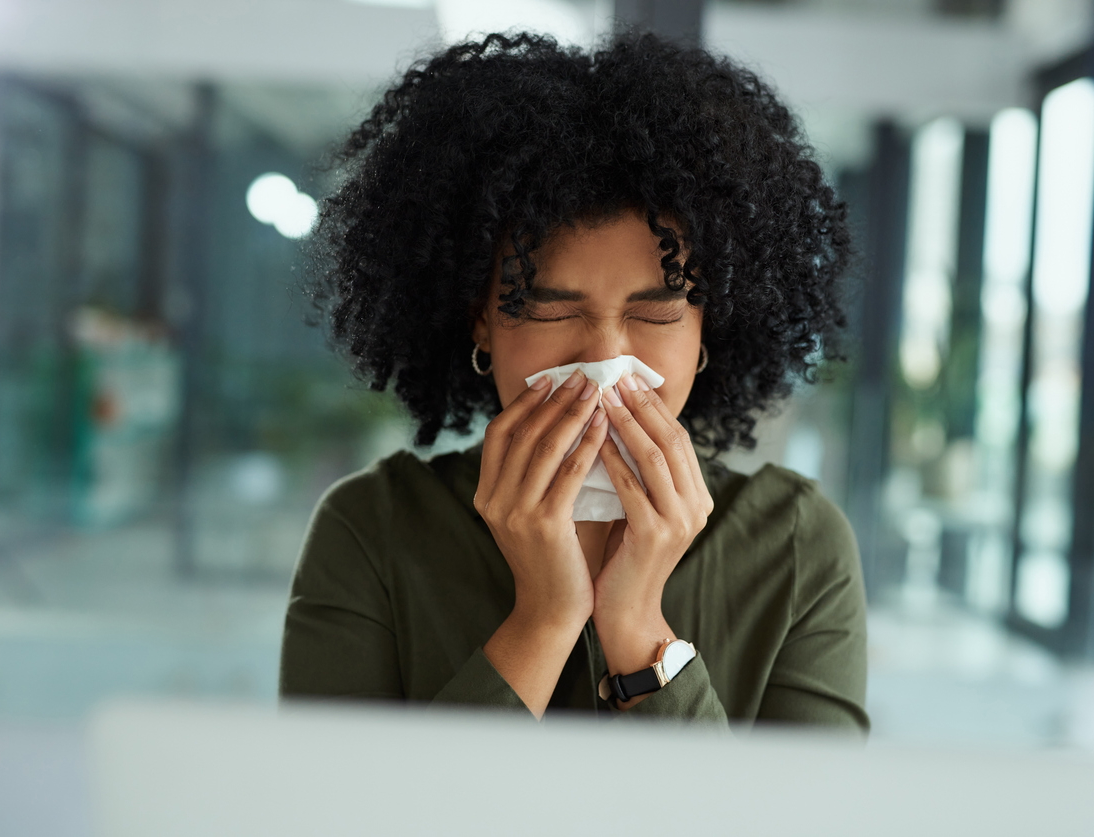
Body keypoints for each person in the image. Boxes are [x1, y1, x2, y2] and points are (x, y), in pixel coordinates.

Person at [279, 29, 870, 734]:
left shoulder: (798, 543)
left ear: (707, 329)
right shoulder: (372, 529)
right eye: (554, 308)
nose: (606, 359)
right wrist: (546, 617)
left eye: (654, 311)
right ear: (481, 322)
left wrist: (637, 627)